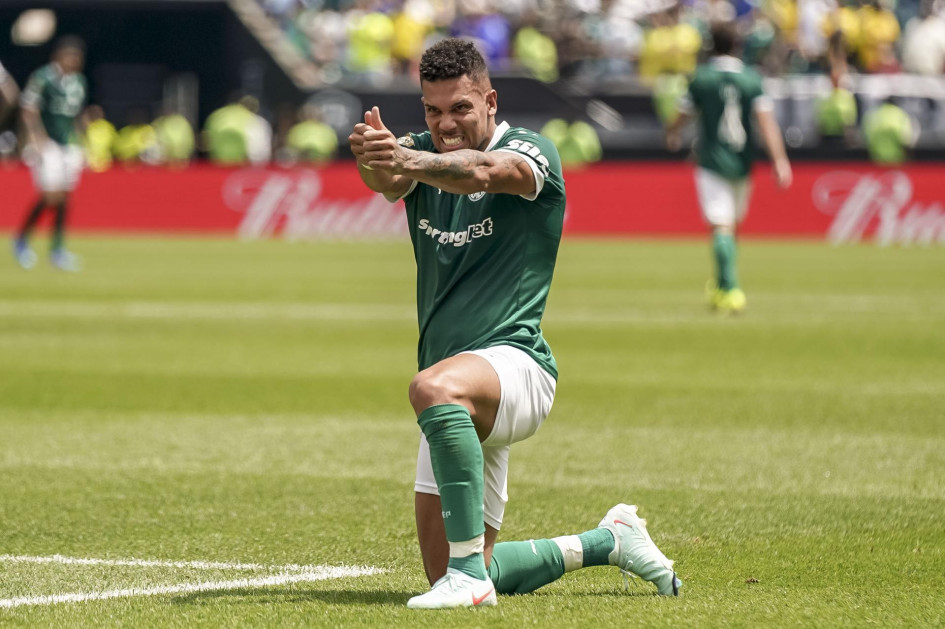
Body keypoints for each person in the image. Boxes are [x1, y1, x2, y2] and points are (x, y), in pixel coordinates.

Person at [349, 37, 681, 610]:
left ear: (491, 101)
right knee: (445, 567)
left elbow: (483, 172)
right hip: (461, 384)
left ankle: (469, 581)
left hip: (517, 366)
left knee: (431, 389)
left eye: (460, 107)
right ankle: (606, 541)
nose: (445, 124)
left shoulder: (531, 150)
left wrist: (405, 160)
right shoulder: (422, 152)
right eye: (432, 110)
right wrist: (375, 157)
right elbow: (387, 182)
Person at [666, 21, 792, 314]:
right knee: (730, 225)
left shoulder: (701, 79)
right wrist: (779, 160)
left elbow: (682, 114)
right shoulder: (752, 79)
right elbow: (766, 123)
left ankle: (729, 287)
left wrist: (671, 133)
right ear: (738, 46)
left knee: (721, 226)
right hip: (743, 161)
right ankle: (724, 284)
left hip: (711, 159)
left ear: (711, 45)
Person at [14, 36, 88, 272]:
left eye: (77, 57)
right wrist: (35, 137)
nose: (74, 61)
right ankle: (22, 239)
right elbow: (28, 109)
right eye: (70, 56)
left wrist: (82, 139)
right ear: (58, 56)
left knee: (65, 197)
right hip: (48, 144)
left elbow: (75, 114)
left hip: (69, 144)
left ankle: (57, 249)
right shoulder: (43, 77)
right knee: (50, 195)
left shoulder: (79, 81)